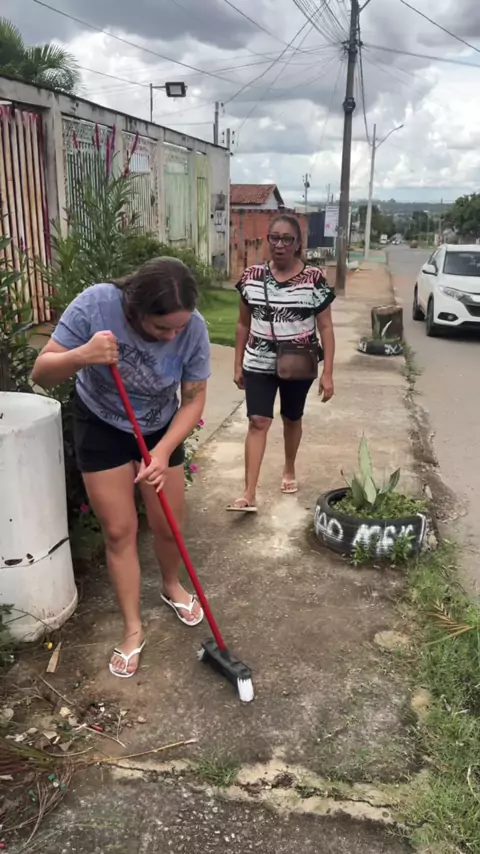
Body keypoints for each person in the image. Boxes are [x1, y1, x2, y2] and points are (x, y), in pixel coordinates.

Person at [32, 257, 210, 678]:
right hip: (101, 423)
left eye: (179, 327)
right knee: (119, 531)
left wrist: (163, 452)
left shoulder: (194, 329)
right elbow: (42, 373)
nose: (172, 336)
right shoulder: (97, 305)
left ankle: (171, 585)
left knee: (168, 523)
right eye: (162, 328)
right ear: (135, 309)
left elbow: (194, 399)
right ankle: (132, 628)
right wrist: (84, 354)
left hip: (159, 428)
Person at [228, 214, 335, 512]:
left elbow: (326, 327)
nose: (280, 244)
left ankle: (289, 466)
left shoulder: (314, 278)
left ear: (298, 244)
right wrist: (237, 364)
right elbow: (242, 324)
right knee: (257, 421)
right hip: (258, 363)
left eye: (287, 239)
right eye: (274, 238)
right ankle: (248, 493)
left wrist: (328, 373)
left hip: (298, 363)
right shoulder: (251, 277)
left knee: (291, 418)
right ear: (268, 240)